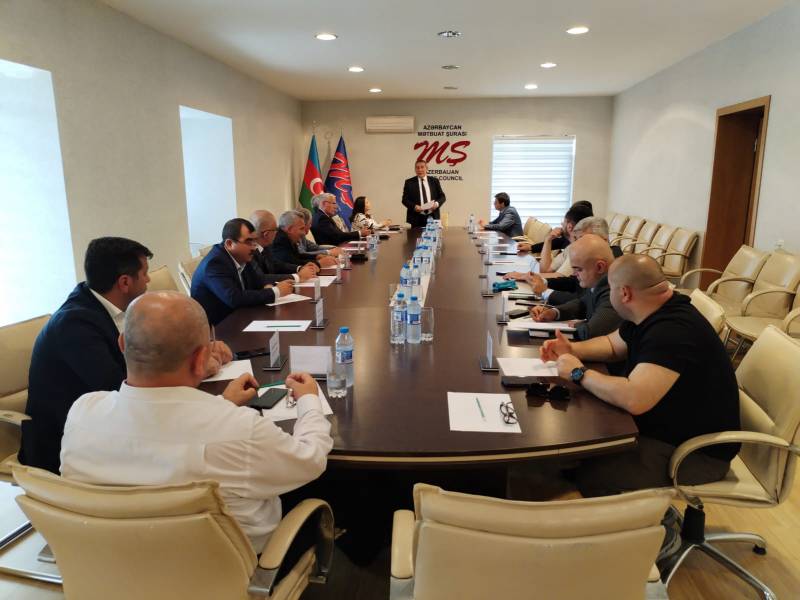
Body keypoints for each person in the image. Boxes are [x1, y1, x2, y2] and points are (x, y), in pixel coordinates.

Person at [60, 291, 333, 551]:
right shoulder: (240, 429)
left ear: (122, 344)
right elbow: (311, 459)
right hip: (233, 569)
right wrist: (309, 400)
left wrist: (222, 403)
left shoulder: (83, 412)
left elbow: (167, 432)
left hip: (110, 565)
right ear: (201, 358)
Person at [22, 237, 233, 474]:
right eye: (144, 273)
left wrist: (196, 350)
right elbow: (121, 387)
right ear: (124, 282)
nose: (149, 280)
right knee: (206, 459)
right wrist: (197, 368)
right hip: (70, 442)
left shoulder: (108, 306)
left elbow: (152, 353)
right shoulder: (74, 325)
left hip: (114, 423)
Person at [540, 254, 740, 497]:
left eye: (610, 289)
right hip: (665, 429)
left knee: (591, 475)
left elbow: (634, 398)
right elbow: (613, 345)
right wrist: (572, 349)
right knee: (576, 448)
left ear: (624, 293)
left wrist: (578, 373)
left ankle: (653, 520)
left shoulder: (673, 331)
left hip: (693, 454)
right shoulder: (651, 309)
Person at [191, 218, 295, 325]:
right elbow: (234, 298)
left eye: (254, 241)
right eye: (249, 242)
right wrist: (275, 292)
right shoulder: (215, 264)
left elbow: (258, 281)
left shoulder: (241, 255)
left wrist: (267, 287)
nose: (254, 247)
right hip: (220, 326)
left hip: (241, 316)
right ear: (230, 244)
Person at [509, 217, 623, 304]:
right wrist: (540, 281)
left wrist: (545, 291)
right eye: (577, 240)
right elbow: (573, 282)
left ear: (603, 240)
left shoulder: (614, 266)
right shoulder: (593, 255)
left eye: (584, 240)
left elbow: (583, 301)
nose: (577, 245)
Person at [529, 235, 621, 341]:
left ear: (600, 267)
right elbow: (582, 304)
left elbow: (591, 332)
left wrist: (580, 324)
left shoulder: (614, 290)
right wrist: (554, 313)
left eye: (579, 269)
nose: (573, 273)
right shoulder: (599, 281)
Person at [249, 210, 317, 282]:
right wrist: (297, 277)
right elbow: (260, 278)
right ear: (266, 234)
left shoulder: (266, 246)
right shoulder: (249, 252)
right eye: (275, 229)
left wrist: (299, 268)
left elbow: (276, 265)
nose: (277, 232)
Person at [517, 200, 593, 254]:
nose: (562, 223)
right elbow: (558, 242)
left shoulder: (579, 249)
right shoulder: (568, 237)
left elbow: (546, 269)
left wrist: (548, 240)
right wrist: (531, 247)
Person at [273, 210, 338, 269]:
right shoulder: (279, 241)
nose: (304, 233)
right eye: (301, 229)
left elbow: (298, 256)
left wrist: (316, 257)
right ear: (289, 229)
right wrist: (318, 263)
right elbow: (291, 263)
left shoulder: (288, 237)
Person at [402, 160, 446, 227]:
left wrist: (436, 204)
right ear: (415, 169)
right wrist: (414, 206)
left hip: (433, 216)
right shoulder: (409, 182)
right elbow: (404, 200)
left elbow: (442, 196)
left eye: (422, 167)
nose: (420, 170)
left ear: (426, 168)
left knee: (434, 234)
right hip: (416, 218)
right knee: (415, 234)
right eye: (417, 168)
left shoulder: (434, 181)